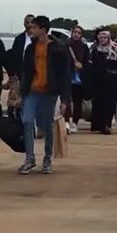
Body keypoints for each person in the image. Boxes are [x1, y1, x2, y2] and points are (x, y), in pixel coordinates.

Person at [18, 15, 70, 175]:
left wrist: (65, 98)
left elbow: (64, 74)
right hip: (32, 91)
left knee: (47, 126)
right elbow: (26, 72)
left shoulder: (58, 48)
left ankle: (47, 160)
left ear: (43, 30)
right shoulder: (30, 48)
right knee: (27, 121)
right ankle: (29, 159)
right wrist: (22, 94)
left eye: (34, 27)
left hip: (49, 93)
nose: (30, 30)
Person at [88, 30, 117, 135]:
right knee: (98, 103)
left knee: (109, 103)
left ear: (108, 38)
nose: (102, 39)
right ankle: (99, 125)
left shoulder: (114, 48)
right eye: (100, 38)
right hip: (98, 80)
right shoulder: (94, 49)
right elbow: (90, 64)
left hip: (112, 80)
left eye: (105, 38)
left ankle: (107, 125)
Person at [67, 25, 91, 133]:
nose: (76, 34)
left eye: (79, 33)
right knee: (66, 101)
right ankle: (66, 121)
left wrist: (82, 67)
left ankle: (75, 122)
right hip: (68, 77)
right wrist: (73, 64)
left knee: (77, 102)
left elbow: (88, 62)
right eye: (75, 32)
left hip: (79, 79)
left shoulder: (84, 47)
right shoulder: (66, 46)